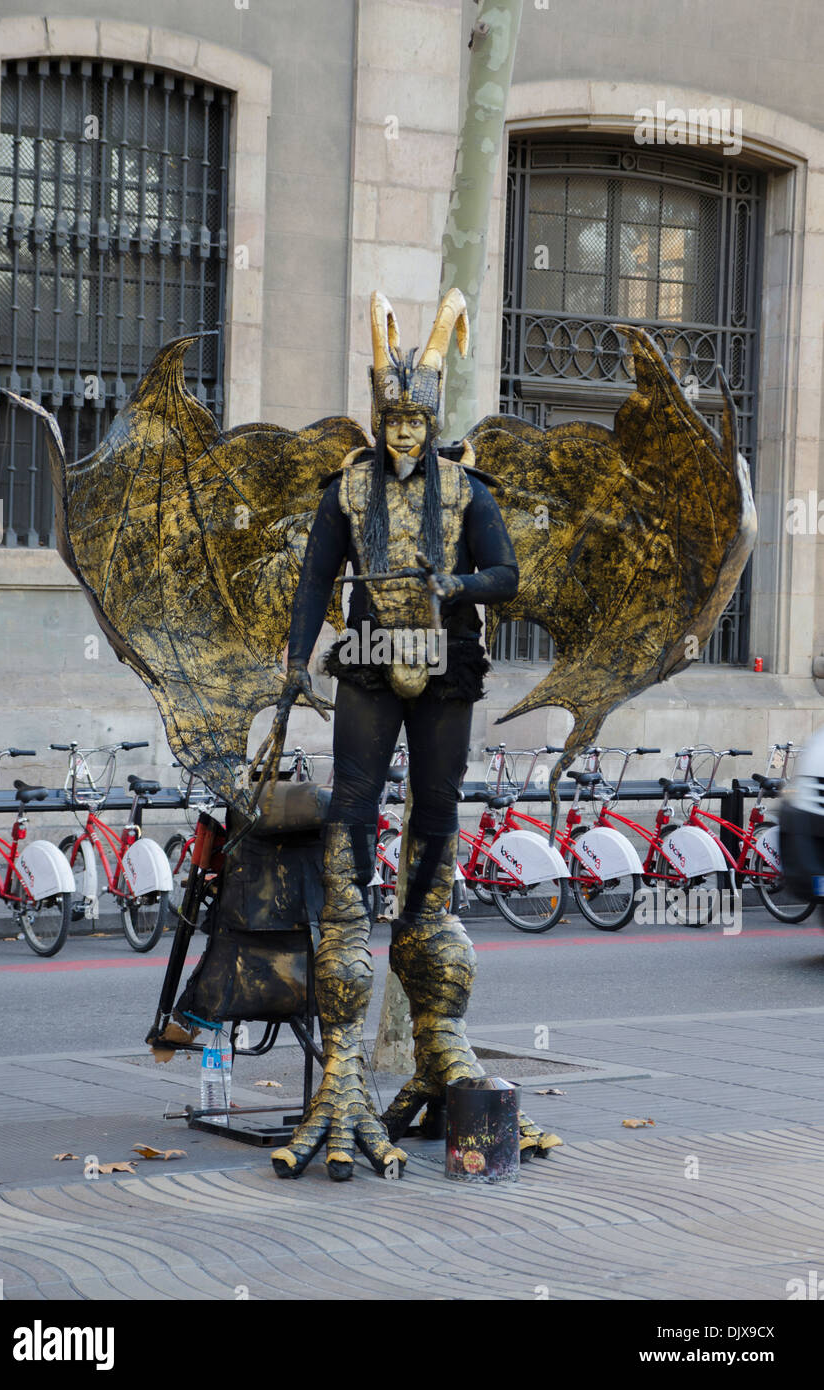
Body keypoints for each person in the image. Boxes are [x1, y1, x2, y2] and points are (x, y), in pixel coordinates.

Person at [267, 289, 560, 1180]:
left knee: (435, 822)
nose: (400, 432)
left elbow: (507, 575)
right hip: (364, 660)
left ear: (431, 421)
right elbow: (317, 579)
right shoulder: (346, 488)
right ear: (376, 417)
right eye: (390, 418)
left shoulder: (467, 489)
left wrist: (456, 588)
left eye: (414, 419)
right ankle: (344, 1073)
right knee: (351, 822)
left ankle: (440, 1043)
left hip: (444, 668)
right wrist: (292, 662)